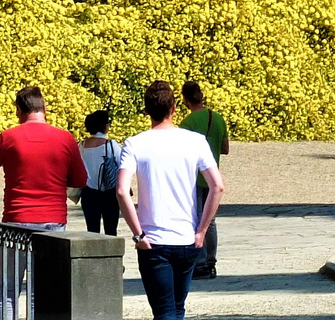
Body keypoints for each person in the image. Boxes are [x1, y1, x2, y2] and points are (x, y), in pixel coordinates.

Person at [120, 80, 225, 320]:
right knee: (177, 308)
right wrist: (202, 230)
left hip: (153, 239)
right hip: (187, 237)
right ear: (174, 108)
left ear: (146, 110)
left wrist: (137, 234)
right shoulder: (195, 141)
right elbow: (217, 186)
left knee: (165, 311)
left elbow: (122, 191)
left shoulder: (135, 143)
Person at [0, 85, 86, 229]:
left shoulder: (8, 138)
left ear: (19, 110)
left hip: (17, 217)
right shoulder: (66, 139)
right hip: (53, 218)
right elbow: (81, 180)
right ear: (44, 109)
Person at [178, 81, 230, 279]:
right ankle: (211, 261)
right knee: (211, 220)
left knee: (196, 220)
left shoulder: (188, 123)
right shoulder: (217, 118)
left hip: (194, 177)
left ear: (185, 99)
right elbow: (225, 148)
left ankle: (199, 263)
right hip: (212, 175)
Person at [79, 110, 122, 235]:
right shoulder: (111, 145)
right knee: (111, 230)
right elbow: (122, 166)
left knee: (92, 231)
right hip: (109, 192)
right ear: (105, 126)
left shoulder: (81, 146)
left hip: (88, 193)